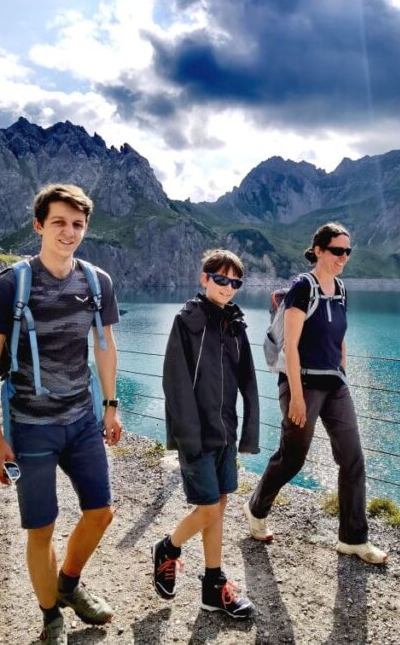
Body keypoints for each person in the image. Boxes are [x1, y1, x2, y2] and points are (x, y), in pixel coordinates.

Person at [0, 183, 123, 645]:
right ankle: (51, 619)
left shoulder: (97, 283)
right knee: (41, 528)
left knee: (100, 513)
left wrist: (111, 405)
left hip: (81, 420)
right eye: (59, 222)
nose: (69, 232)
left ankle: (68, 586)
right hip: (30, 426)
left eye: (77, 224)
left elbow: (104, 345)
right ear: (39, 225)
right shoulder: (9, 285)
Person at [244, 222, 387, 564]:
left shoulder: (341, 289)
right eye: (337, 251)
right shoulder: (302, 288)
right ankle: (256, 507)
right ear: (319, 250)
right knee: (293, 457)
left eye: (348, 252)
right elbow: (291, 347)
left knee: (352, 458)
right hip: (302, 383)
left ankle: (353, 539)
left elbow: (339, 336)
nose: (343, 258)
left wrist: (344, 370)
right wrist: (294, 396)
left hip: (334, 384)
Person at [154, 249, 259, 618]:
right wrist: (187, 436)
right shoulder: (187, 321)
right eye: (220, 279)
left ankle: (213, 586)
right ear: (204, 278)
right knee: (210, 507)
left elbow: (248, 381)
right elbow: (175, 383)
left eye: (235, 282)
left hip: (225, 434)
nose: (227, 288)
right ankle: (168, 546)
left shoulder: (236, 325)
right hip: (196, 436)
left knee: (220, 505)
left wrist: (248, 434)